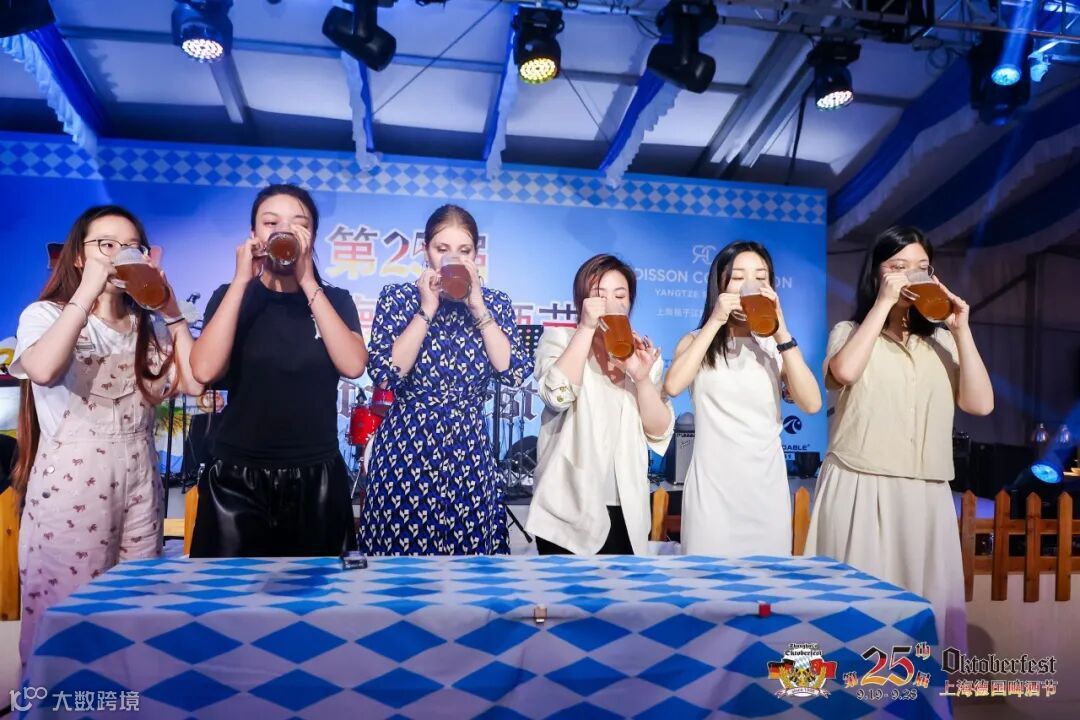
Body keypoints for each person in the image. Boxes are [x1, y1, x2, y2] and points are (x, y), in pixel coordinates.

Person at [9, 205, 201, 662]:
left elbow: (195, 383)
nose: (118, 255)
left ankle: (124, 697)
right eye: (105, 245)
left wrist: (172, 313)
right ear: (79, 256)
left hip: (140, 486)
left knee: (135, 612)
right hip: (72, 487)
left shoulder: (148, 328)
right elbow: (42, 369)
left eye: (130, 246)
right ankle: (57, 697)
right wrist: (89, 291)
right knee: (67, 612)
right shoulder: (44, 315)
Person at [806, 226, 993, 651]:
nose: (912, 275)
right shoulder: (848, 331)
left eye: (922, 267)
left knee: (921, 612)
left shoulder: (942, 341)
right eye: (898, 266)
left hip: (925, 492)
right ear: (877, 273)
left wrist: (961, 330)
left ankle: (917, 687)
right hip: (860, 483)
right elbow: (844, 372)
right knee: (857, 611)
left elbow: (980, 404)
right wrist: (883, 304)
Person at [189, 184, 367, 557]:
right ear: (254, 234)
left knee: (319, 592)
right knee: (228, 592)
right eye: (271, 222)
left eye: (298, 223)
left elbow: (353, 365)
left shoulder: (334, 300)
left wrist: (307, 280)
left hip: (317, 476)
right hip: (236, 477)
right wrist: (241, 280)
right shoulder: (230, 295)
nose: (283, 230)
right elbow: (204, 370)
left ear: (311, 236)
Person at [360, 204, 532, 555]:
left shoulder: (494, 303)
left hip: (468, 448)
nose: (453, 259)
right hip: (407, 447)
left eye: (464, 251)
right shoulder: (398, 298)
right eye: (442, 249)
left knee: (471, 566)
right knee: (400, 563)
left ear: (476, 256)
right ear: (426, 251)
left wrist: (478, 307)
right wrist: (427, 309)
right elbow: (386, 374)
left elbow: (512, 371)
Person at [664, 241, 821, 556]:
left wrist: (781, 331)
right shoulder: (696, 341)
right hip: (712, 493)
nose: (751, 285)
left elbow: (812, 403)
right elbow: (673, 385)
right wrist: (715, 321)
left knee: (767, 582)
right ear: (720, 285)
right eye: (738, 277)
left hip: (766, 492)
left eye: (761, 277)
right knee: (706, 581)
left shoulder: (776, 347)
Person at [528, 255, 673, 555]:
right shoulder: (560, 339)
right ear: (581, 300)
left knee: (624, 587)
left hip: (628, 511)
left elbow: (659, 431)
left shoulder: (642, 355)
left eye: (620, 295)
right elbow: (557, 397)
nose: (611, 303)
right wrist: (585, 328)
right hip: (567, 510)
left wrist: (641, 378)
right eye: (599, 295)